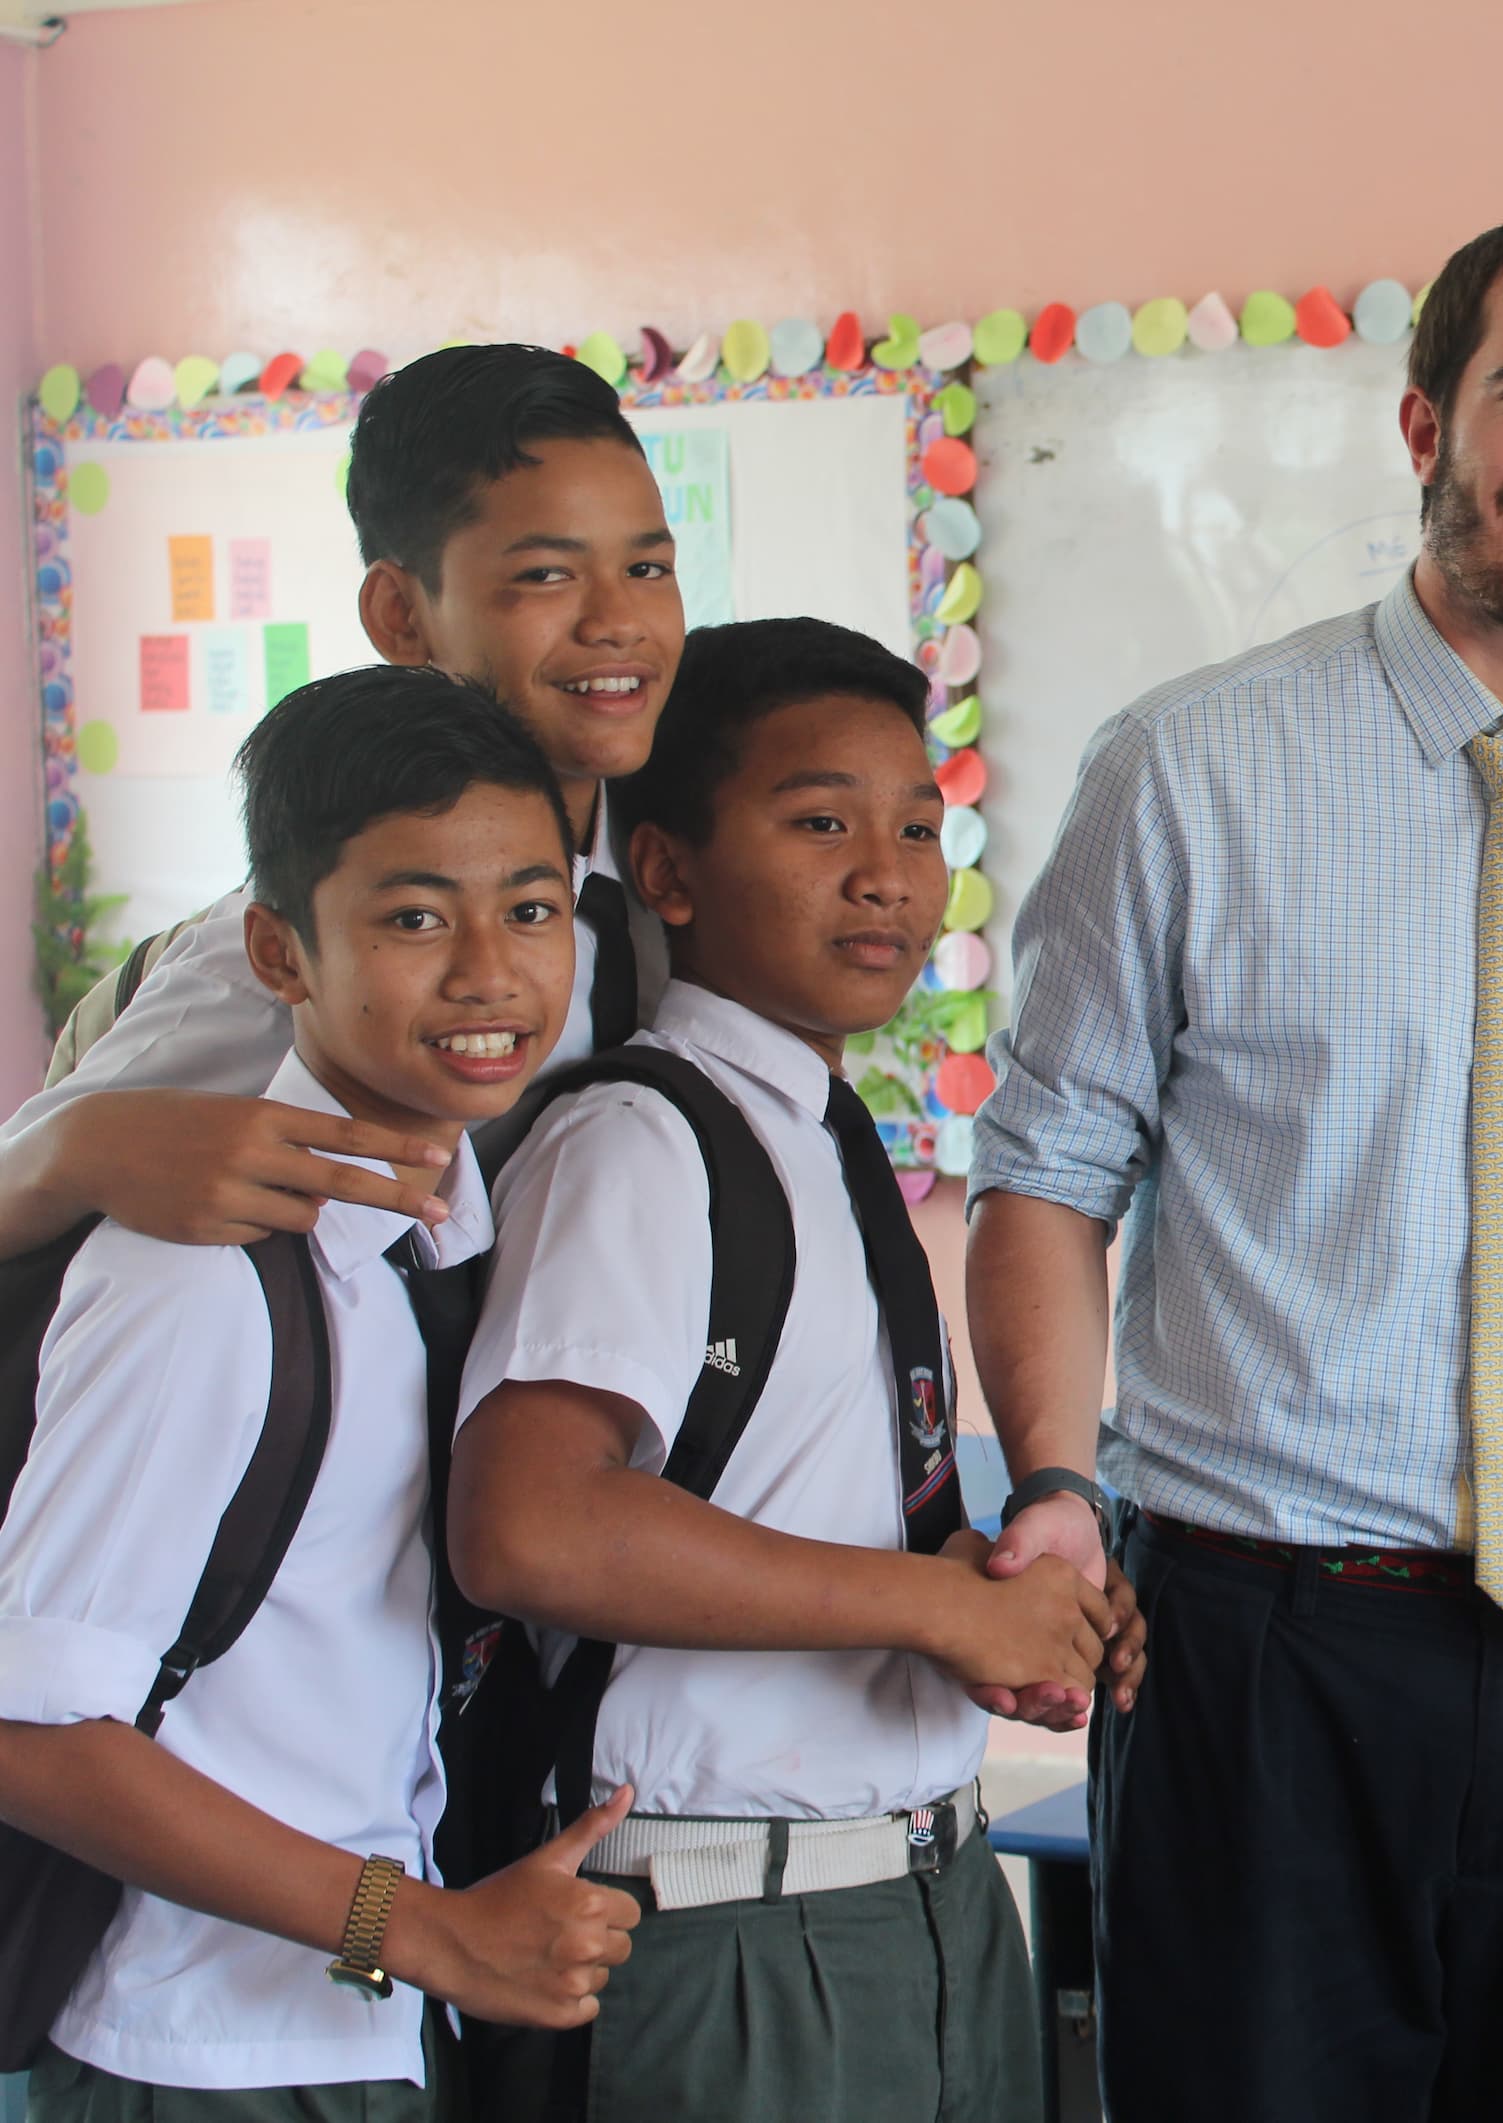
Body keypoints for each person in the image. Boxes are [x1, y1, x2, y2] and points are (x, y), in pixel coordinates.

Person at [966, 207, 1503, 2120]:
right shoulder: (1186, 771)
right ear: (1426, 417)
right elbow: (1047, 1172)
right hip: (1268, 1654)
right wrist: (1053, 1490)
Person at [447, 619, 1125, 2123]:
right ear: (670, 870)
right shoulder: (641, 1142)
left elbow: (789, 1496)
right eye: (821, 823)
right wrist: (932, 1605)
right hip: (727, 1934)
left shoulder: (821, 1135)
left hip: (931, 1896)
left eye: (918, 828)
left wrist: (994, 1595)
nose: (886, 874)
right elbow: (530, 1522)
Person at [0, 666, 641, 2119]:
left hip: (350, 2033)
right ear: (279, 952)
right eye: (415, 918)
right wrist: (419, 1929)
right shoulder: (200, 1277)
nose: (489, 972)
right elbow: (34, 1734)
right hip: (203, 2056)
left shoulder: (426, 1239)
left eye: (532, 909)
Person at [0, 342, 681, 1255]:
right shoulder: (299, 962)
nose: (618, 622)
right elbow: (27, 1177)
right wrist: (78, 1148)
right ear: (401, 614)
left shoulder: (667, 858)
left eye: (648, 569)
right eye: (546, 576)